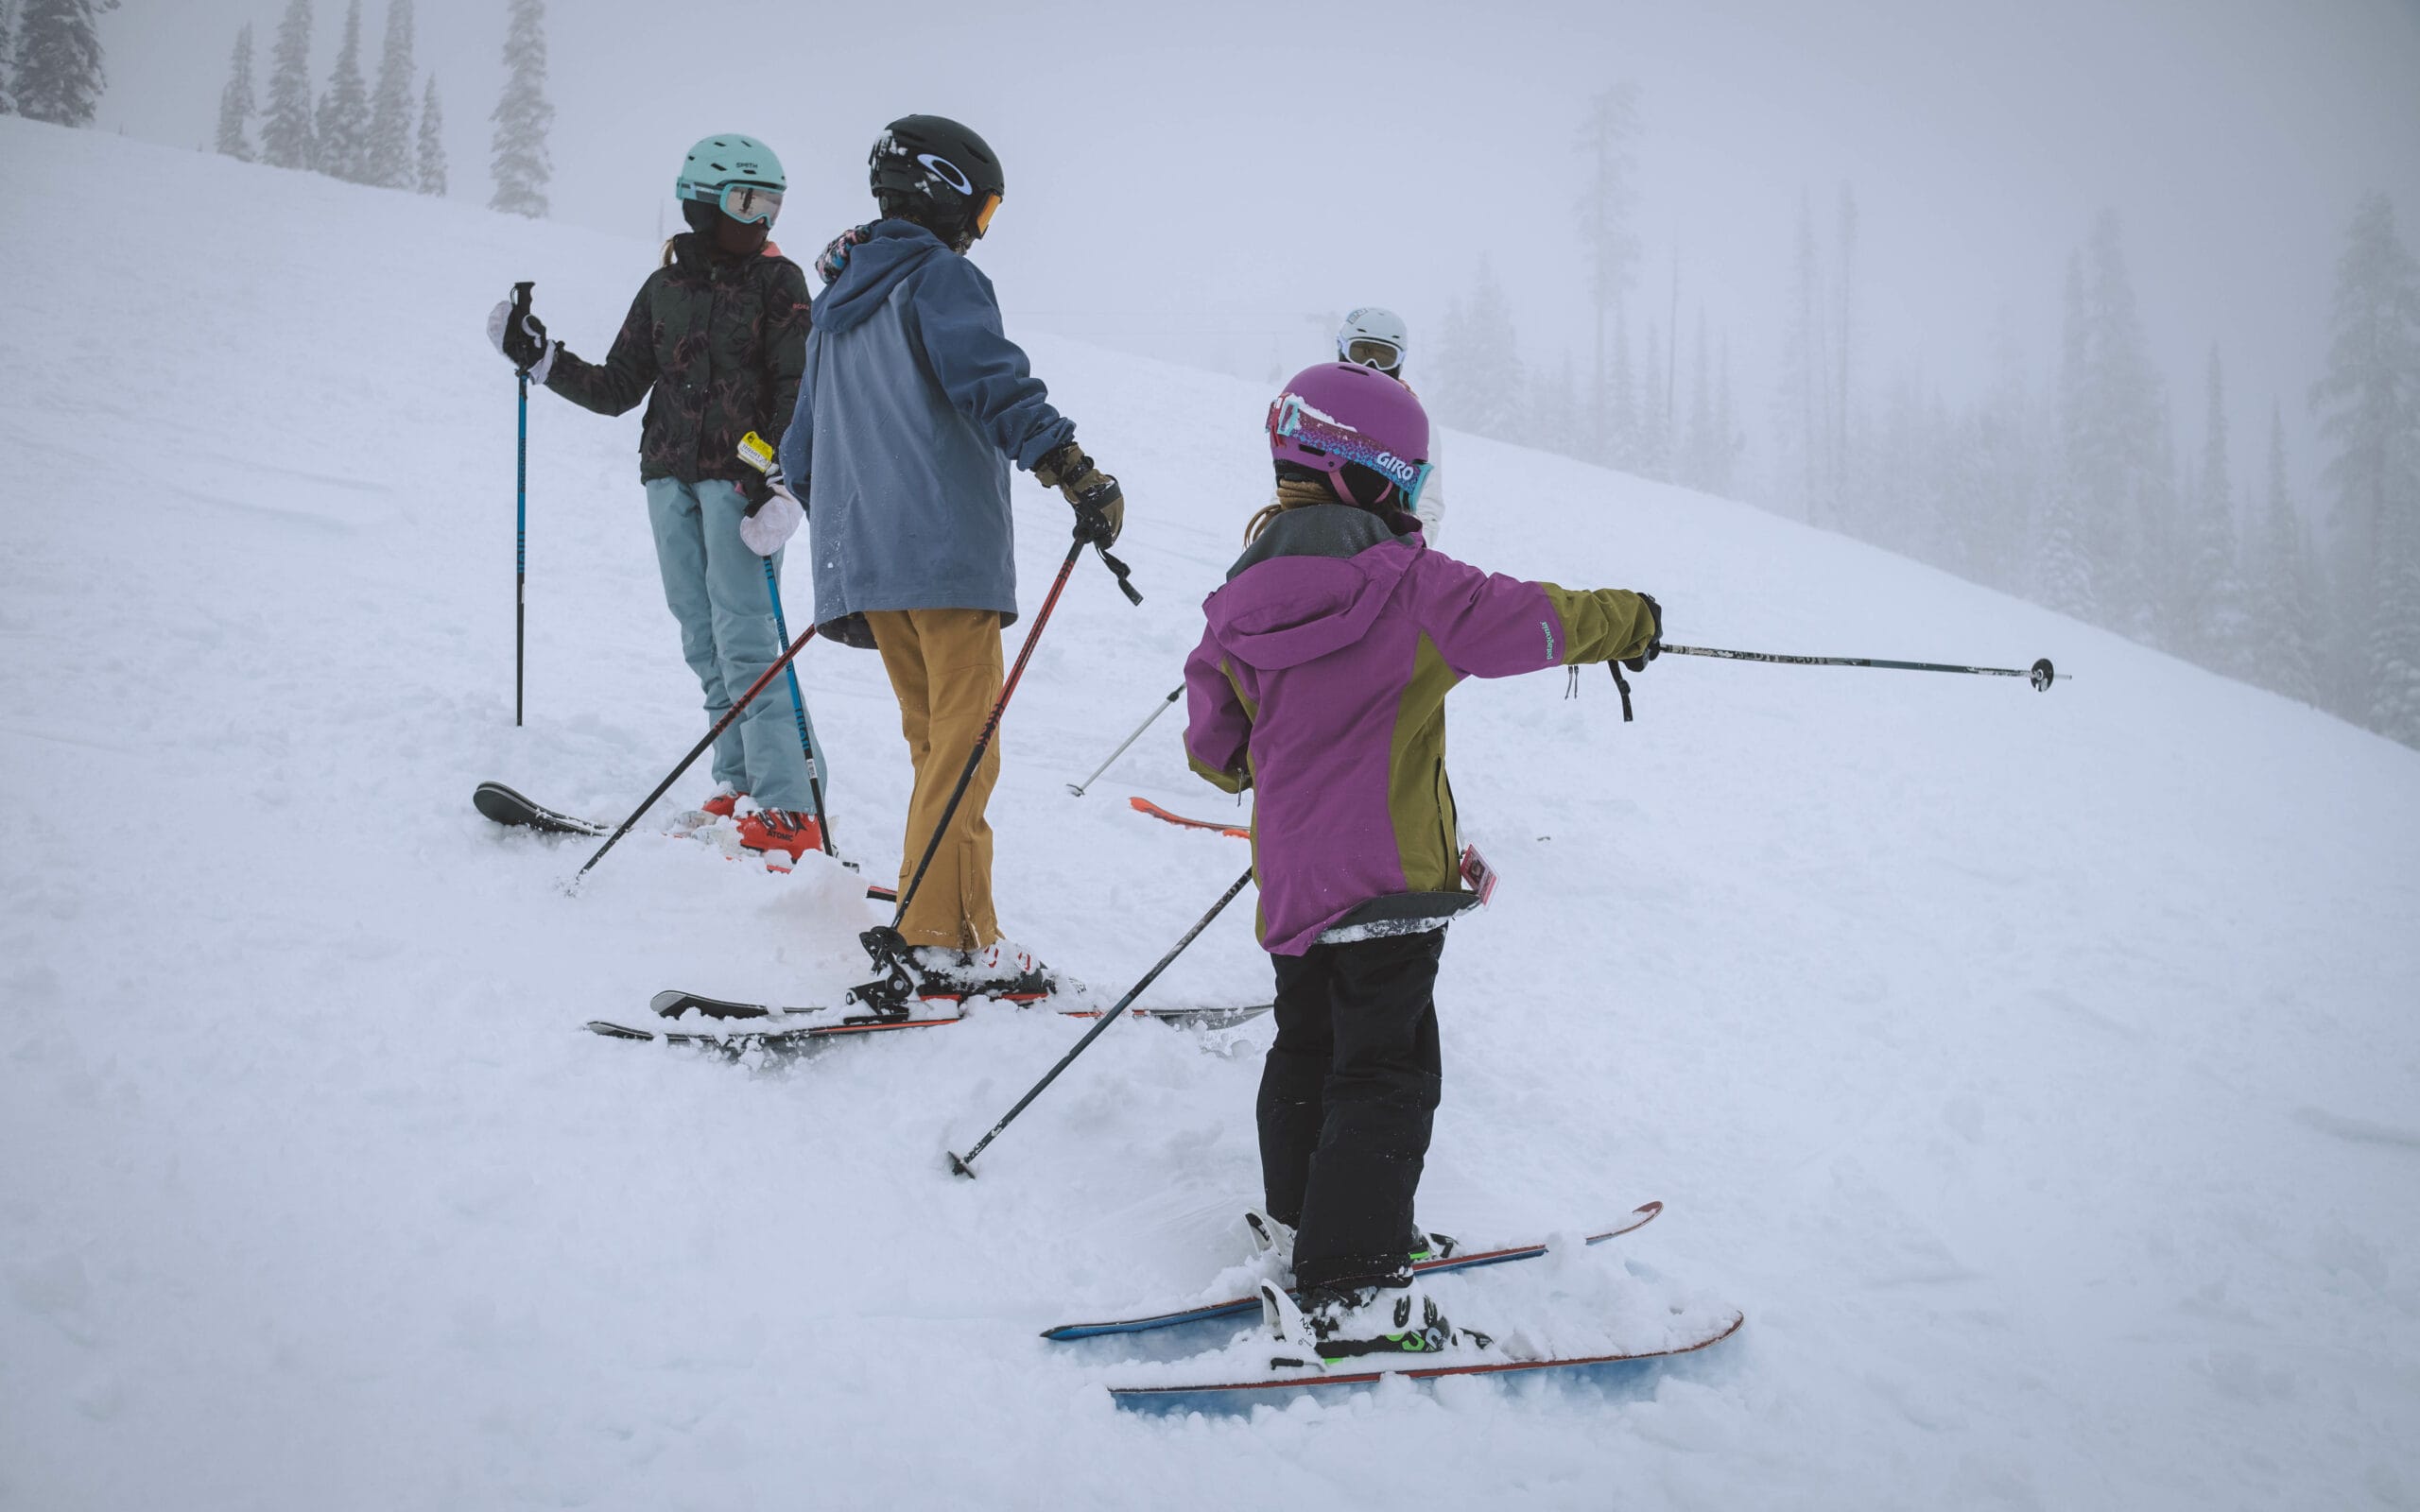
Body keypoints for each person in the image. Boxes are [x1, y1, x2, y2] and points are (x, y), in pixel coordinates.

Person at [1182, 362, 1662, 1360]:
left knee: (1307, 1044)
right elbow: (1537, 619)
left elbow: (1213, 750)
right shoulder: (1413, 586)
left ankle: (1311, 1225)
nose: (1410, 503)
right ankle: (1353, 1290)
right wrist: (1633, 620)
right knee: (1387, 1074)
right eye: (1404, 482)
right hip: (1391, 881)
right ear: (1362, 476)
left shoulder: (1237, 600)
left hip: (1296, 884)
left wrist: (1275, 754)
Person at [779, 115, 1124, 1000]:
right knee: (964, 751)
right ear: (948, 192)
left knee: (940, 748)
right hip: (948, 559)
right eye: (987, 206)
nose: (983, 226)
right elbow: (994, 381)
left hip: (874, 569)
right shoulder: (940, 279)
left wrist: (860, 525)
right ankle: (936, 938)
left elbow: (801, 451)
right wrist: (1074, 470)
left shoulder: (836, 307)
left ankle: (966, 932)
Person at [488, 134, 822, 864]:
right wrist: (540, 359)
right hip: (668, 477)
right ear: (701, 202)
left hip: (742, 488)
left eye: (772, 203)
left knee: (747, 641)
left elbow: (800, 389)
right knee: (703, 640)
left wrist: (779, 480)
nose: (761, 218)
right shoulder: (664, 288)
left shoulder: (781, 283)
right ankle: (738, 789)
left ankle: (794, 806)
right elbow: (616, 388)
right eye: (746, 201)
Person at [1335, 307, 1445, 543]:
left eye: (1384, 356)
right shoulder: (1321, 404)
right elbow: (1289, 484)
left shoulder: (1412, 420)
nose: (1372, 365)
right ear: (1342, 349)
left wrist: (1409, 554)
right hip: (1316, 536)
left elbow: (1427, 504)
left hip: (1383, 545)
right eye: (1362, 352)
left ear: (1400, 361)